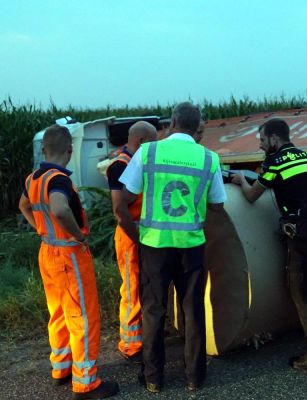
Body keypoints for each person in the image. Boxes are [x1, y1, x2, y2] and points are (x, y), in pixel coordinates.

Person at [119, 102, 226, 393]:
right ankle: (195, 377)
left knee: (154, 311)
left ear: (174, 121)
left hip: (154, 244)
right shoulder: (209, 159)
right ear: (197, 127)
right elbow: (217, 204)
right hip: (191, 246)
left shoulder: (148, 152)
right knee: (193, 311)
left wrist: (135, 230)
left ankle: (154, 378)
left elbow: (124, 197)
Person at [230, 118, 307, 372]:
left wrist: (241, 181)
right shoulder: (306, 157)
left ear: (273, 138)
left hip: (303, 233)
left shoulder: (274, 163)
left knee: (304, 293)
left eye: (261, 140)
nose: (260, 145)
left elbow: (251, 196)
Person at [19, 124, 119, 399]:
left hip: (47, 253)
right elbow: (60, 208)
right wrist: (79, 236)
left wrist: (42, 230)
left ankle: (61, 368)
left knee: (59, 312)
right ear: (70, 150)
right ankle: (86, 383)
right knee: (83, 318)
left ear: (43, 148)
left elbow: (23, 206)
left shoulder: (33, 178)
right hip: (69, 255)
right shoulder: (59, 179)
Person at [105, 121, 157, 363]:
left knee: (142, 287)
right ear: (142, 141)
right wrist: (138, 238)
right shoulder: (119, 166)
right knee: (132, 289)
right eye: (153, 142)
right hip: (130, 235)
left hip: (141, 234)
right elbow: (119, 209)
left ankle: (141, 336)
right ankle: (131, 345)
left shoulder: (136, 163)